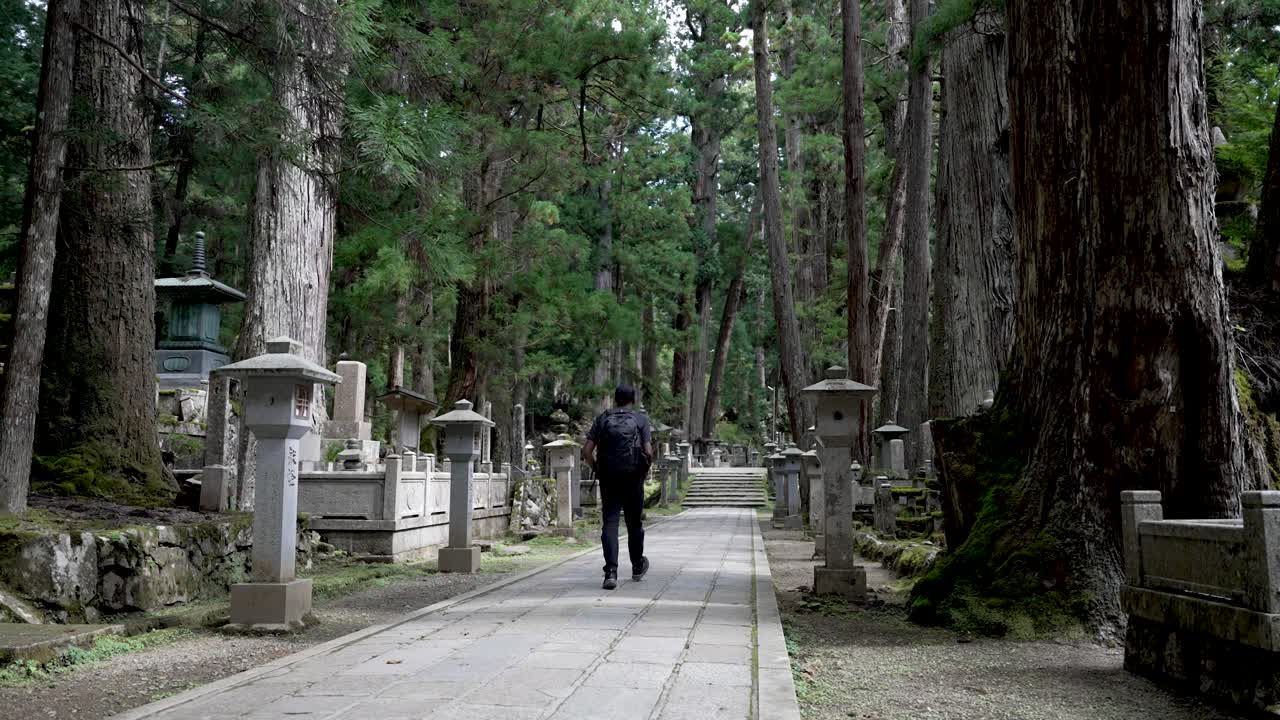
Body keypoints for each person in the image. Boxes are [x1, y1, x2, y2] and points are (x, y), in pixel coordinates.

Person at [583, 384, 654, 590]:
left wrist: (597, 467)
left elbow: (587, 450)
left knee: (611, 522)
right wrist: (644, 470)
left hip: (608, 477)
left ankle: (611, 572)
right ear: (633, 400)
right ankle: (637, 565)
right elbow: (648, 452)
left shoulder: (603, 418)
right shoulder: (640, 419)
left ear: (615, 399)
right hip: (633, 477)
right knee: (634, 524)